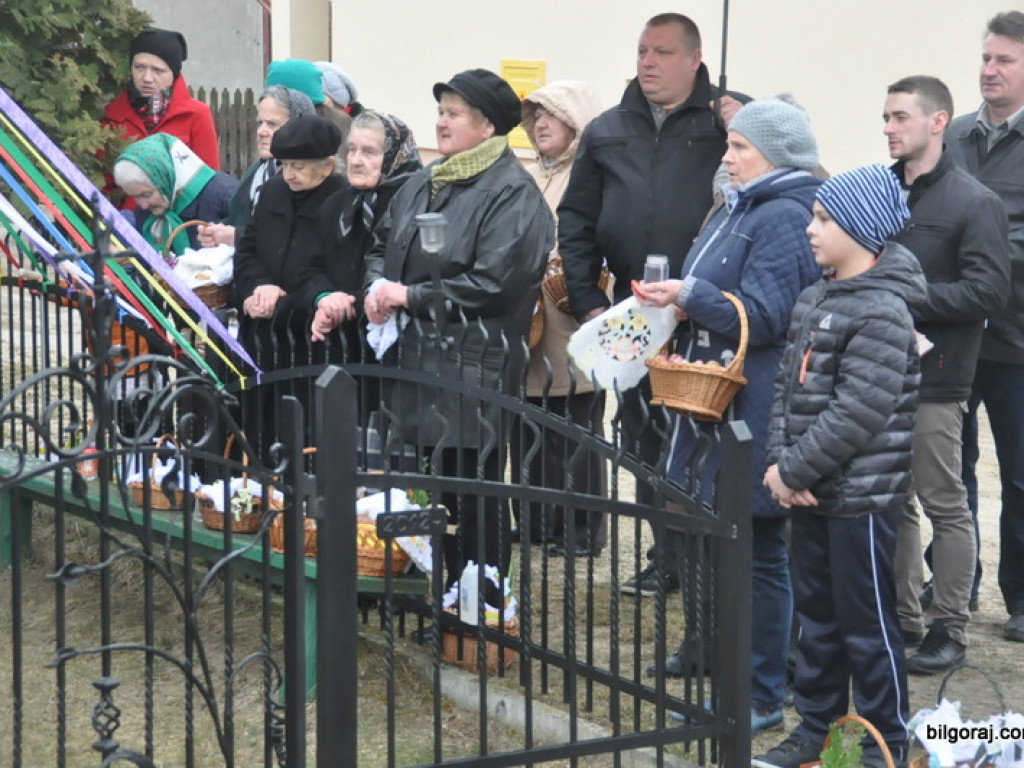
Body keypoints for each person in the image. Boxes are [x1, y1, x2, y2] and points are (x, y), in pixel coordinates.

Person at [638, 97, 822, 733]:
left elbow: (769, 314)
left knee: (759, 552)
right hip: (716, 403)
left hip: (752, 405)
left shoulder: (783, 216)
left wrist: (692, 295)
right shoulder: (746, 206)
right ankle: (722, 659)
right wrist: (685, 302)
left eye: (740, 147)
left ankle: (763, 691)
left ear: (775, 153)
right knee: (718, 542)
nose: (728, 155)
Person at [557, 12, 745, 597]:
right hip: (634, 309)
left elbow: (777, 151)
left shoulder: (724, 122)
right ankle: (663, 558)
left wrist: (743, 107)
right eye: (642, 50)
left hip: (708, 308)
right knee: (641, 433)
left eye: (663, 52)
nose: (648, 62)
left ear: (694, 61)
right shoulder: (609, 129)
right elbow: (577, 218)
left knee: (708, 437)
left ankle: (712, 561)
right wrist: (590, 300)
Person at [756, 164, 923, 768]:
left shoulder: (882, 310)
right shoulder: (814, 298)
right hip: (811, 490)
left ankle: (884, 743)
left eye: (824, 219)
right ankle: (821, 730)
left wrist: (795, 469)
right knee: (818, 623)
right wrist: (780, 463)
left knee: (866, 628)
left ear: (861, 228)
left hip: (859, 498)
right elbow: (784, 394)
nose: (810, 228)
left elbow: (858, 412)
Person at [363, 68, 554, 593]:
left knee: (476, 495)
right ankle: (435, 590)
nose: (441, 123)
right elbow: (381, 246)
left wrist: (413, 297)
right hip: (416, 360)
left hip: (476, 366)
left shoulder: (513, 194)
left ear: (487, 126)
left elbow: (494, 282)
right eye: (440, 112)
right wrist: (376, 290)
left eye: (453, 114)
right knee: (427, 489)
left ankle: (483, 601)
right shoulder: (425, 181)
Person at [883, 76, 1010, 672]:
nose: (889, 128)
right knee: (893, 501)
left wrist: (912, 297)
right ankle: (902, 618)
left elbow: (989, 290)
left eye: (901, 117)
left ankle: (949, 628)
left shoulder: (973, 201)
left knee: (943, 502)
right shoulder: (880, 191)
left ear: (938, 123)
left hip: (938, 376)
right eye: (886, 117)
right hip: (878, 370)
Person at [507, 80, 608, 557]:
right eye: (536, 116)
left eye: (551, 114)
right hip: (529, 315)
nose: (540, 124)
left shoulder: (592, 172)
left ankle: (582, 530)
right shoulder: (531, 173)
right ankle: (535, 521)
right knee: (531, 423)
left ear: (577, 121)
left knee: (575, 422)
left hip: (569, 313)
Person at [948, 10, 1024, 645]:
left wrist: (980, 253)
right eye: (987, 57)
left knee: (1021, 475)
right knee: (952, 469)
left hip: (1018, 338)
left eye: (1005, 60)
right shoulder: (954, 137)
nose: (989, 69)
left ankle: (1021, 598)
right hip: (953, 333)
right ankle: (955, 586)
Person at [233, 114, 343, 459]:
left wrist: (285, 300)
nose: (289, 174)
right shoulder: (272, 191)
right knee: (256, 429)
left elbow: (331, 273)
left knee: (302, 436)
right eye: (285, 165)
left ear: (326, 166)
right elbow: (246, 251)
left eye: (299, 166)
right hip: (261, 332)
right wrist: (257, 287)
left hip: (309, 338)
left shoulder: (340, 200)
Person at [306, 110, 422, 362]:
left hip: (390, 345)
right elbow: (311, 265)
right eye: (352, 149)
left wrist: (348, 305)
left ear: (394, 156)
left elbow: (408, 274)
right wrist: (325, 297)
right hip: (334, 340)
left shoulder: (413, 204)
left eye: (369, 152)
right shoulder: (334, 204)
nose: (356, 160)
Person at [197, 86, 316, 249]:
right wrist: (217, 233)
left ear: (298, 126)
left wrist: (237, 237)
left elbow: (295, 240)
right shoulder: (257, 172)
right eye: (260, 123)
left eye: (272, 124)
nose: (261, 131)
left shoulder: (309, 179)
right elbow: (237, 219)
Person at [102, 28, 220, 174]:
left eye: (158, 70)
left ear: (174, 74)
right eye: (139, 67)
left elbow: (208, 180)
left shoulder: (196, 114)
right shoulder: (112, 116)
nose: (147, 78)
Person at [112, 133, 238, 254]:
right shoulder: (144, 213)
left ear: (166, 179)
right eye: (135, 196)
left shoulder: (226, 196)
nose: (143, 205)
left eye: (146, 195)